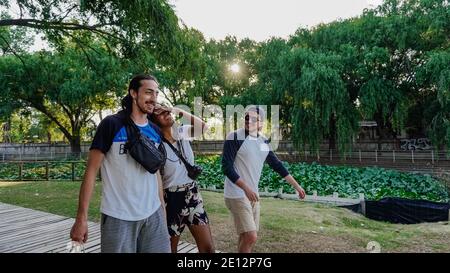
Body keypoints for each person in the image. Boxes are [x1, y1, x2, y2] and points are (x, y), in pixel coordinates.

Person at [70, 74, 170, 253]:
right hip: (118, 216)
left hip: (153, 215)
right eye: (148, 92)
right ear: (133, 93)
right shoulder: (111, 125)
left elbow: (155, 174)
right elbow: (92, 171)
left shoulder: (155, 131)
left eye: (156, 93)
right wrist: (81, 219)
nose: (153, 98)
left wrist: (162, 211)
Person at [222, 106, 306, 253]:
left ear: (261, 123)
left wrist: (297, 187)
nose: (249, 121)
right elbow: (227, 168)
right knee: (251, 236)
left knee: (246, 236)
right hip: (236, 193)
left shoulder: (263, 141)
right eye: (247, 117)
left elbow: (277, 165)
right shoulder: (234, 137)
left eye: (254, 118)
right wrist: (246, 188)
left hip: (252, 195)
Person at [150, 104, 215, 253]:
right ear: (154, 120)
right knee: (169, 248)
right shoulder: (156, 144)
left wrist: (178, 110)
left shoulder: (182, 133)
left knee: (208, 248)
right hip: (171, 199)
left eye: (167, 111)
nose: (167, 114)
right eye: (161, 113)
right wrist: (162, 209)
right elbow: (157, 180)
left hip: (193, 194)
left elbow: (203, 127)